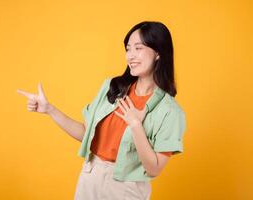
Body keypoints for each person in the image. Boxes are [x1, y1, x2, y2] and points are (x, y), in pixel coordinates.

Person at [17, 21, 186, 200]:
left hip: (126, 189)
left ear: (158, 53)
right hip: (90, 177)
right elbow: (86, 134)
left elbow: (154, 168)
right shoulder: (112, 88)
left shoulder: (170, 111)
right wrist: (49, 109)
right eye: (128, 49)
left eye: (138, 48)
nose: (131, 56)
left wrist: (136, 125)